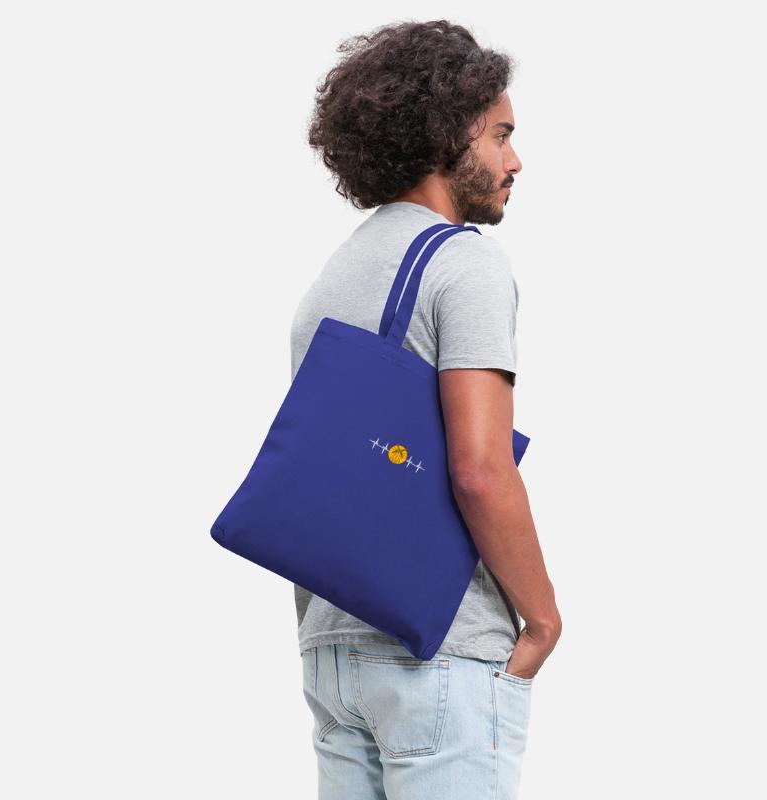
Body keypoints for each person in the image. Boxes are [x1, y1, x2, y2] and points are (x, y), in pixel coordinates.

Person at [291, 19, 562, 800]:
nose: (515, 160)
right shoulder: (464, 263)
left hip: (331, 652)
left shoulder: (338, 271)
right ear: (447, 135)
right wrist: (543, 620)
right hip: (438, 653)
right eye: (500, 135)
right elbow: (480, 470)